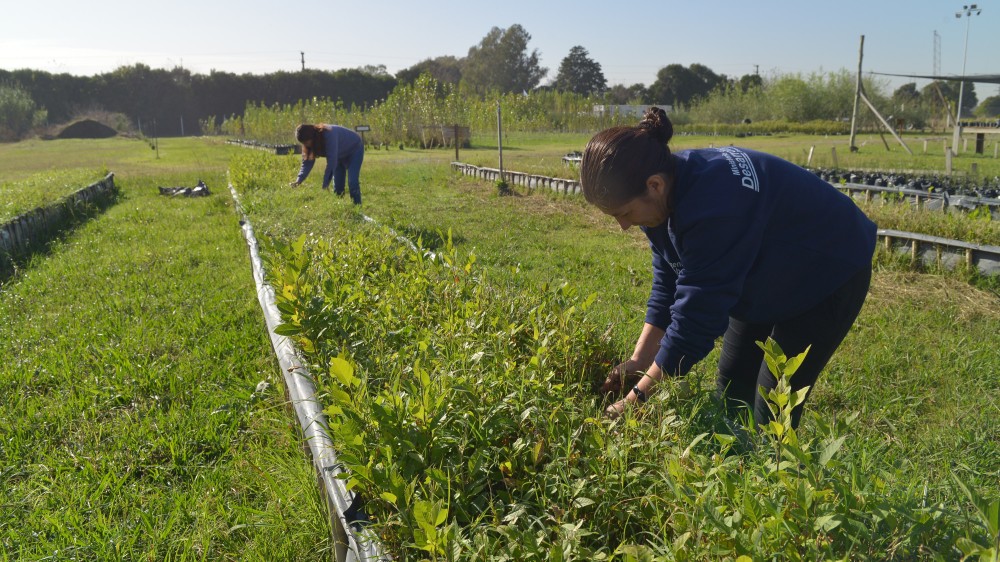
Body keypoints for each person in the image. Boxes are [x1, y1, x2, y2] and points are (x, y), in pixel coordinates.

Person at [581, 107, 876, 428]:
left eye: (623, 213)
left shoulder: (714, 209)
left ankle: (776, 470)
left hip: (827, 266)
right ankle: (737, 462)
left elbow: (696, 321)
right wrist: (640, 359)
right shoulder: (663, 190)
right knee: (733, 380)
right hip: (763, 264)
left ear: (654, 185)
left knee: (775, 397)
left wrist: (636, 397)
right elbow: (670, 279)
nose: (623, 225)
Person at [291, 123, 365, 205]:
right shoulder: (308, 144)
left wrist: (325, 184)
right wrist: (298, 181)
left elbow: (331, 163)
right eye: (303, 143)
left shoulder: (329, 135)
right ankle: (339, 208)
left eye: (306, 142)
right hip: (338, 155)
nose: (305, 145)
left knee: (352, 182)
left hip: (354, 149)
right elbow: (307, 163)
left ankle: (357, 207)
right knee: (338, 188)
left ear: (312, 136)